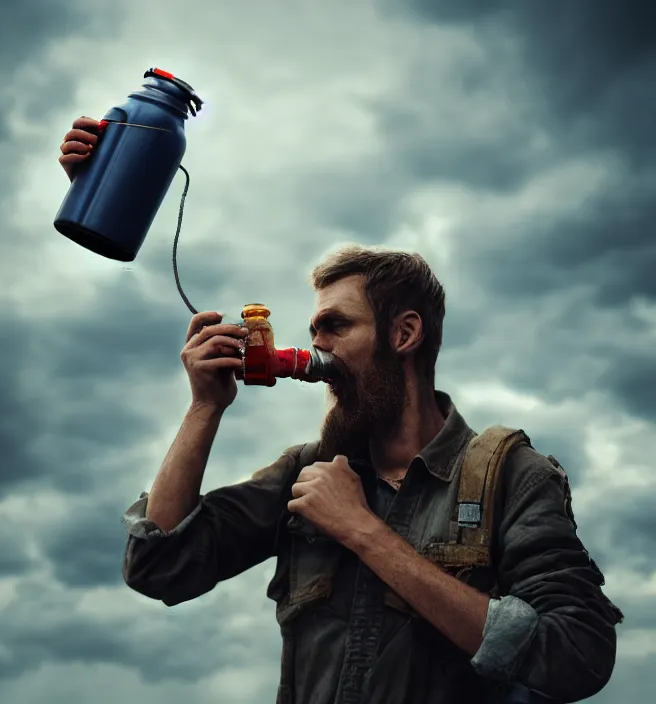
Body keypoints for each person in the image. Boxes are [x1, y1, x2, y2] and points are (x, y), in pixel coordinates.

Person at [60, 120, 623, 704]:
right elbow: (160, 568)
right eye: (313, 331)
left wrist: (364, 532)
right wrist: (205, 408)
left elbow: (577, 654)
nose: (317, 349)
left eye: (336, 326)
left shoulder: (512, 475)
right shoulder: (308, 471)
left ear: (404, 334)